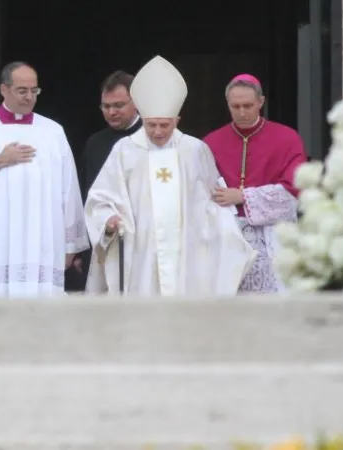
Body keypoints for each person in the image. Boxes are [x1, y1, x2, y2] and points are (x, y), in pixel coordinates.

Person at [84, 55, 256, 296]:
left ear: (177, 120)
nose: (157, 132)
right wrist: (108, 220)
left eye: (165, 125)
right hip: (140, 252)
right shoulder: (125, 150)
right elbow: (101, 198)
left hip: (187, 252)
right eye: (151, 125)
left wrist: (224, 233)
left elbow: (213, 202)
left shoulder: (195, 150)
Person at [0, 61, 89, 298]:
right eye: (22, 90)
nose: (29, 97)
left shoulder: (53, 131)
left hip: (42, 239)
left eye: (34, 90)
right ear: (4, 90)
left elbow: (68, 188)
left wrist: (70, 244)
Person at [203, 74, 307, 293]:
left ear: (261, 102)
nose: (242, 112)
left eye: (248, 105)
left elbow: (294, 191)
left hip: (273, 240)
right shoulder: (210, 142)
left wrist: (243, 196)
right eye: (235, 106)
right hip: (227, 240)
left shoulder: (287, 139)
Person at [66, 70, 142, 292]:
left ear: (136, 102)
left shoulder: (150, 138)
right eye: (106, 106)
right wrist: (80, 250)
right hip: (102, 242)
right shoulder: (95, 143)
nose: (111, 112)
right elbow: (84, 195)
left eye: (118, 105)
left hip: (139, 243)